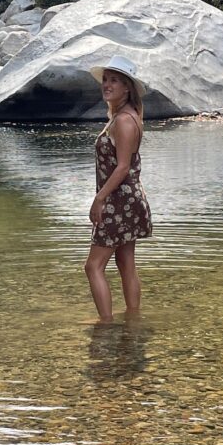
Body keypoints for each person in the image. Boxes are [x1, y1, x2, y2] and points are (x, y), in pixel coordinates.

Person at [84, 54, 152, 322]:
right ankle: (132, 321)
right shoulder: (125, 116)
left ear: (127, 88)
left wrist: (99, 199)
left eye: (114, 81)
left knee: (93, 266)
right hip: (129, 199)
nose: (107, 85)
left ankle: (106, 323)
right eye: (105, 80)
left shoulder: (124, 121)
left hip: (119, 200)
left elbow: (122, 166)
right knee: (125, 263)